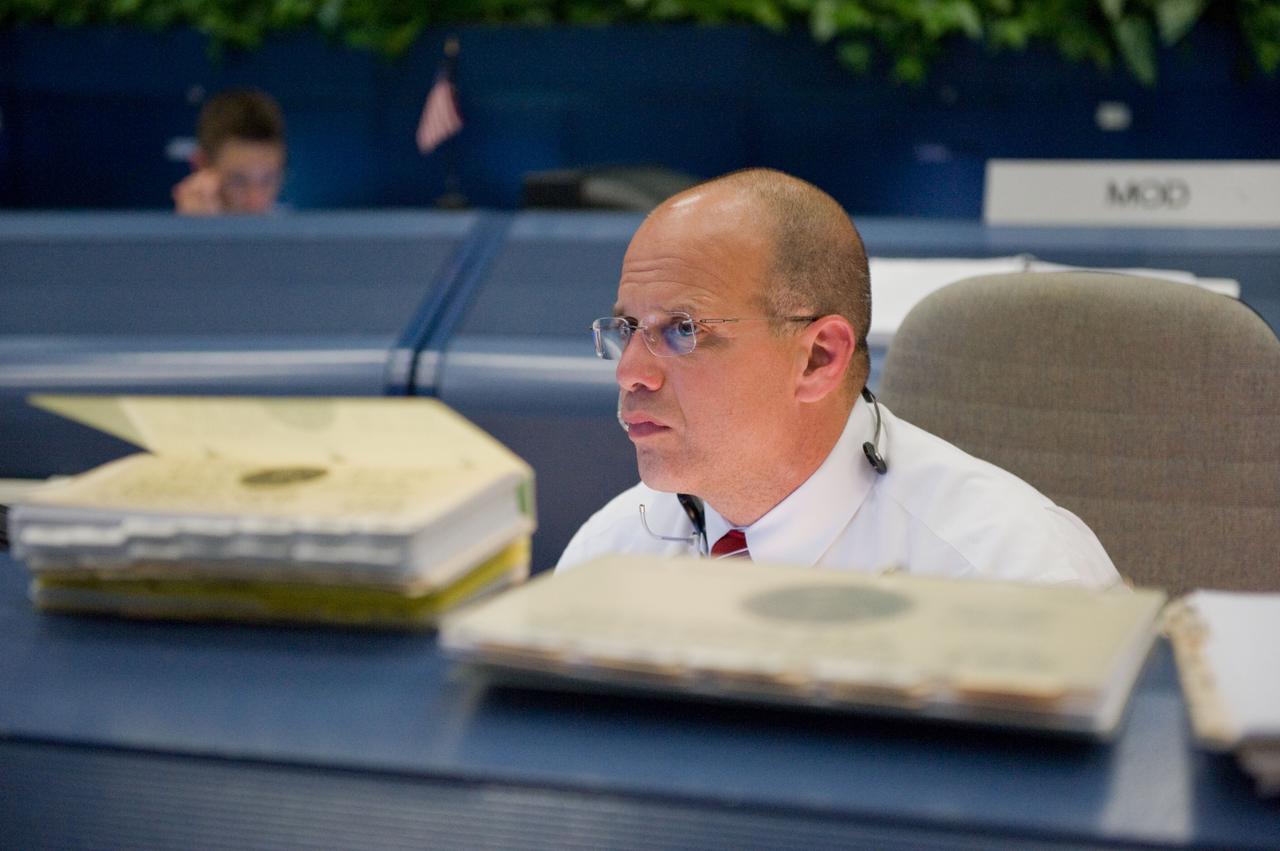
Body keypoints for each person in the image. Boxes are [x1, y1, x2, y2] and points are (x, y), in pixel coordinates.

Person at [557, 168, 1120, 588]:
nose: (630, 372)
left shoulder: (1012, 578)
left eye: (682, 330)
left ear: (819, 359)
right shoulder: (610, 557)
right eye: (627, 327)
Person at [172, 89, 285, 215]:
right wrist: (195, 230)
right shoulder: (161, 234)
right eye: (238, 181)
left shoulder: (300, 233)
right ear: (201, 165)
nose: (256, 203)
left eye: (268, 180)